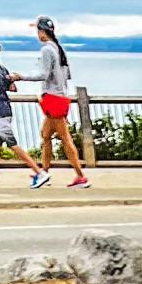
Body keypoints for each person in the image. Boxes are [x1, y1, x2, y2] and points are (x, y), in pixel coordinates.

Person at [0, 38, 44, 188]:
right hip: (2, 111)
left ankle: (39, 172)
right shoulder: (2, 69)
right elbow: (12, 88)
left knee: (13, 145)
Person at [32, 17, 89, 187]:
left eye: (38, 31)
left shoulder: (47, 50)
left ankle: (80, 176)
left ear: (42, 32)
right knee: (46, 135)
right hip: (61, 97)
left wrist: (21, 77)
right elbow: (66, 75)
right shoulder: (59, 49)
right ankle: (45, 172)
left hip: (53, 98)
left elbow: (44, 75)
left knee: (65, 138)